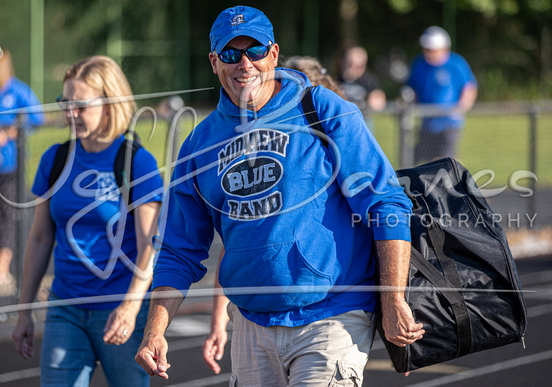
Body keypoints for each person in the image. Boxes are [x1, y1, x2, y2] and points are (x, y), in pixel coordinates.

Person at [136, 5, 423, 386]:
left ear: (272, 54)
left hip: (332, 315)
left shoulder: (321, 109)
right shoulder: (199, 145)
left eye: (254, 51)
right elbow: (178, 249)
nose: (244, 64)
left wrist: (393, 299)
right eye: (230, 54)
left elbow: (386, 202)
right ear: (213, 61)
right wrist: (155, 331)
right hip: (252, 324)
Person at [12, 55, 163, 387]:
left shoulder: (136, 162)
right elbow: (39, 239)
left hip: (120, 312)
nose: (70, 113)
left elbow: (148, 247)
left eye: (80, 104)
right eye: (65, 103)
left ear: (109, 103)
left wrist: (130, 307)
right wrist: (25, 309)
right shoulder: (55, 159)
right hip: (65, 307)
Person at [201, 54, 348, 375]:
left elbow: (378, 218)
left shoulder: (333, 127)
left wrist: (395, 304)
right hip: (259, 316)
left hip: (329, 309)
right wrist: (218, 321)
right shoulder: (258, 148)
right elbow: (234, 241)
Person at [0, 44, 45, 286]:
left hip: (6, 166)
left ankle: (3, 264)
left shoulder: (16, 90)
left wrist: (10, 131)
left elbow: (37, 118)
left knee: (3, 214)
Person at [406, 26, 478, 164]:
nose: (427, 52)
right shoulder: (419, 64)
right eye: (426, 49)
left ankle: (452, 184)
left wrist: (461, 108)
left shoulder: (456, 64)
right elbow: (411, 89)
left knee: (447, 160)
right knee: (420, 159)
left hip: (449, 123)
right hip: (427, 123)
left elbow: (469, 87)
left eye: (431, 49)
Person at [338, 45, 386, 112]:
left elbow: (379, 99)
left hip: (362, 116)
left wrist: (372, 100)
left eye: (358, 66)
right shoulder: (338, 78)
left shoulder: (369, 79)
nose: (352, 68)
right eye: (349, 64)